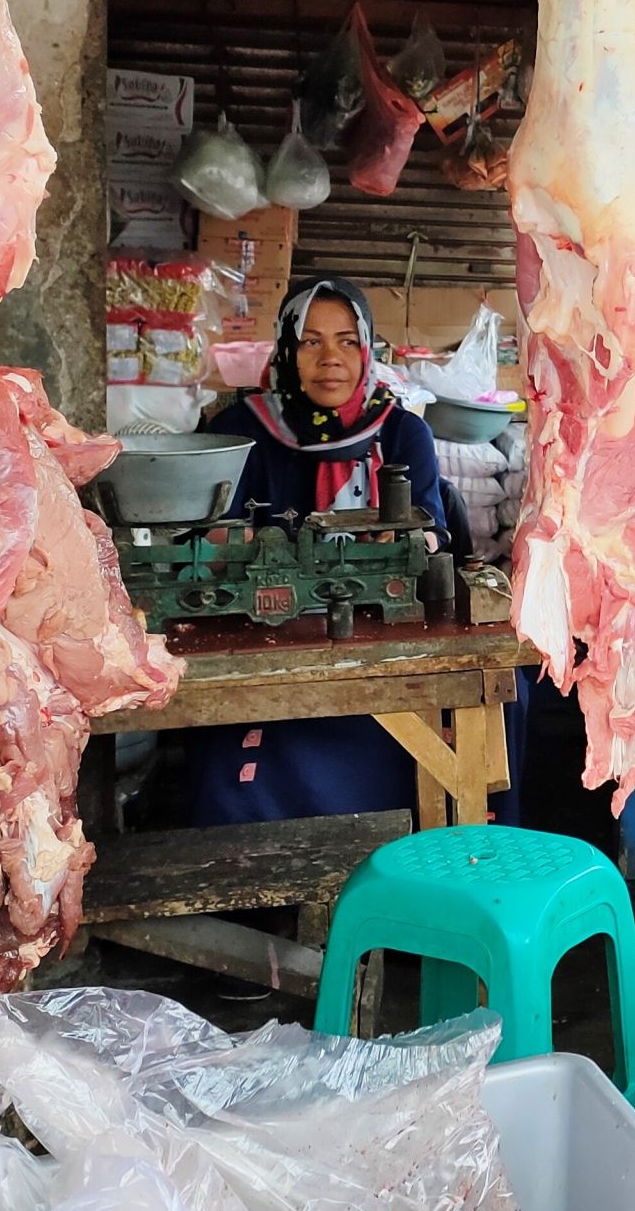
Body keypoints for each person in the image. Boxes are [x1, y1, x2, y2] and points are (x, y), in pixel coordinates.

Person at [190, 277, 449, 823]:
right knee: (231, 756)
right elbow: (208, 536)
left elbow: (434, 532)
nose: (330, 358)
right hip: (264, 642)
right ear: (286, 349)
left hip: (378, 643)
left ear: (368, 349)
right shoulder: (240, 431)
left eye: (347, 341)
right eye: (310, 342)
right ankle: (261, 893)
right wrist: (251, 547)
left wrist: (404, 539)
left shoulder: (401, 433)